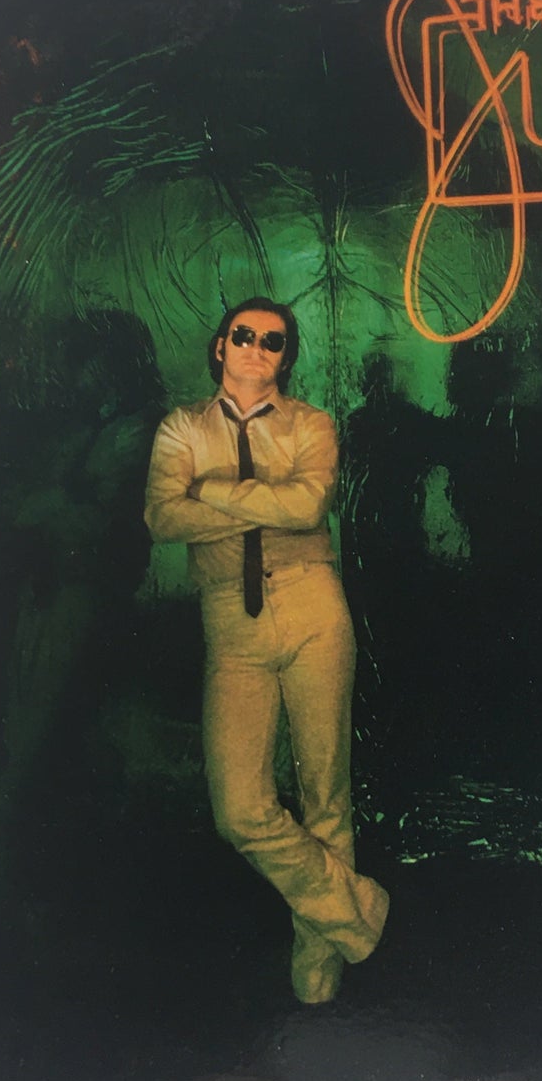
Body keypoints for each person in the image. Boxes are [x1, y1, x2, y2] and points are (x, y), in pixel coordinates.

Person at [143, 296, 389, 1004]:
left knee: (324, 787)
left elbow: (308, 507)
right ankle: (357, 911)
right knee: (240, 808)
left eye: (272, 340)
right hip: (231, 618)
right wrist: (264, 501)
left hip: (313, 604)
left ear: (285, 356)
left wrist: (210, 490)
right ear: (220, 346)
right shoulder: (181, 427)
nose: (256, 346)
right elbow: (162, 518)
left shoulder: (311, 424)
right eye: (243, 334)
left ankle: (318, 961)